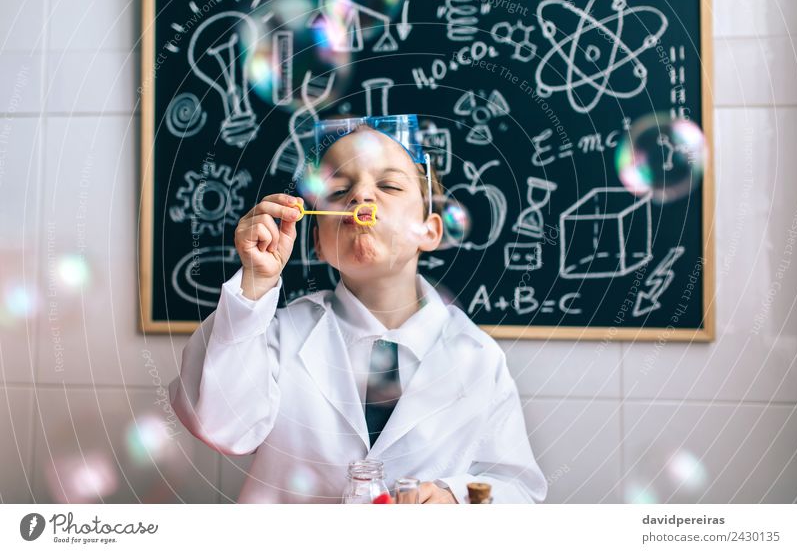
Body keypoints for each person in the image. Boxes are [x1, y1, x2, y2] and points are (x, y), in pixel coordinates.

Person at [169, 114, 547, 503]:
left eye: (388, 185)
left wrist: (456, 499)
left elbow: (520, 489)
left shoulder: (478, 358)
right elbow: (220, 427)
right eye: (338, 191)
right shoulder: (278, 336)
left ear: (430, 231)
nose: (360, 198)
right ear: (318, 241)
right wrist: (254, 283)